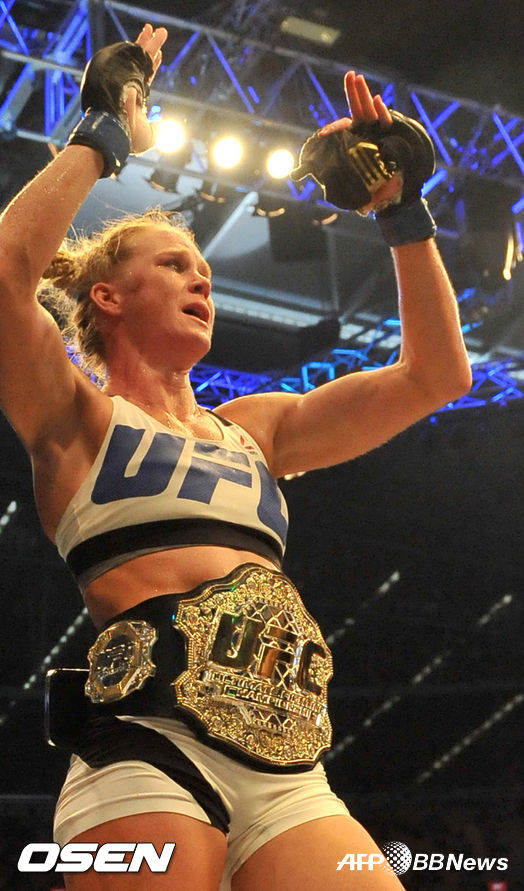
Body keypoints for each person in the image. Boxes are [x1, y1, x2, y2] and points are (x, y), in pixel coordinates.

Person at [0, 22, 471, 891]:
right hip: (146, 745)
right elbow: (3, 274)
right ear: (108, 296)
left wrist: (403, 214)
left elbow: (436, 374)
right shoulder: (76, 417)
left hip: (290, 766)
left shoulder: (258, 430)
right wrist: (102, 135)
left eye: (204, 271)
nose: (202, 277)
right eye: (175, 264)